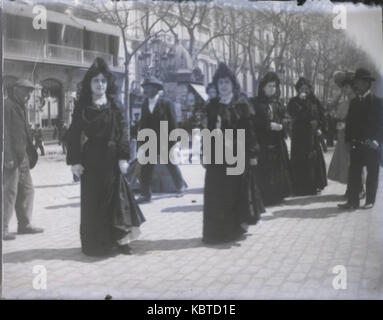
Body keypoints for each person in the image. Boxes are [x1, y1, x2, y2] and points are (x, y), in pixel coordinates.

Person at [66, 57, 145, 256]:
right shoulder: (82, 107)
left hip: (112, 160)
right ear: (90, 84)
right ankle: (96, 244)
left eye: (103, 80)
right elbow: (74, 134)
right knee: (93, 202)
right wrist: (74, 161)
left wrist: (123, 157)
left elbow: (123, 132)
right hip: (91, 161)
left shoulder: (115, 105)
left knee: (117, 201)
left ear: (107, 83)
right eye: (95, 81)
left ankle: (120, 241)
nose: (100, 84)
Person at [203, 63, 264, 245]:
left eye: (226, 82)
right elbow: (207, 130)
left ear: (232, 84)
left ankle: (234, 228)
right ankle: (215, 232)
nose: (223, 86)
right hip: (216, 155)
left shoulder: (242, 104)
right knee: (216, 193)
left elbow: (250, 130)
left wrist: (252, 153)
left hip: (238, 153)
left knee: (234, 192)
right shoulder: (211, 106)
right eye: (220, 82)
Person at [3, 79, 43, 241]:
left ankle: (24, 224)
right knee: (9, 193)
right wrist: (7, 157)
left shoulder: (20, 106)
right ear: (16, 89)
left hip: (23, 156)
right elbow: (3, 134)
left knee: (27, 190)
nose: (28, 95)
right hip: (12, 157)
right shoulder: (6, 106)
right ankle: (3, 228)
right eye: (26, 91)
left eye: (30, 91)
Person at [338, 68, 383, 210]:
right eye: (356, 82)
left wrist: (377, 141)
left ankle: (370, 200)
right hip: (356, 144)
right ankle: (352, 202)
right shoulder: (354, 103)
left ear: (367, 83)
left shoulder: (377, 102)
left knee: (372, 173)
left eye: (359, 82)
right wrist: (347, 141)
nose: (356, 85)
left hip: (371, 145)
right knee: (354, 174)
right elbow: (350, 124)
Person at [136, 76, 186, 203]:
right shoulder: (144, 104)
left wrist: (175, 142)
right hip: (149, 141)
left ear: (156, 89)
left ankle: (180, 186)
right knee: (146, 168)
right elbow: (142, 123)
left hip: (165, 139)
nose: (145, 90)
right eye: (144, 88)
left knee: (171, 164)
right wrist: (141, 142)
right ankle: (145, 194)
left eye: (148, 88)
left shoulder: (166, 103)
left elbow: (173, 122)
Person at [251, 72, 293, 206]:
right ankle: (264, 197)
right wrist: (268, 125)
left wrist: (283, 124)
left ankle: (277, 196)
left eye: (274, 86)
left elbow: (286, 118)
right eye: (269, 86)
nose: (272, 89)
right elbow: (252, 121)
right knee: (264, 169)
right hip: (262, 141)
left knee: (278, 168)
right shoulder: (255, 103)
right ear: (263, 87)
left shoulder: (278, 103)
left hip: (277, 142)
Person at [327, 71, 366, 199]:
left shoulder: (356, 100)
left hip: (352, 136)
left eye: (346, 87)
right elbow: (336, 113)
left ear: (351, 87)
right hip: (343, 136)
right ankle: (352, 187)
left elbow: (358, 120)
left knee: (354, 162)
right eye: (342, 87)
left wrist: (345, 124)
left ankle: (360, 188)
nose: (343, 89)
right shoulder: (345, 101)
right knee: (347, 162)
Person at [287, 77, 327, 196]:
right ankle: (299, 187)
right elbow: (291, 112)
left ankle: (314, 185)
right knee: (300, 160)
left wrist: (320, 127)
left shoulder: (315, 101)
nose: (304, 90)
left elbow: (322, 115)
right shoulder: (294, 101)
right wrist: (299, 102)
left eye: (306, 88)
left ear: (310, 89)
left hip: (312, 135)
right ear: (298, 90)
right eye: (301, 88)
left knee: (313, 160)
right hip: (299, 135)